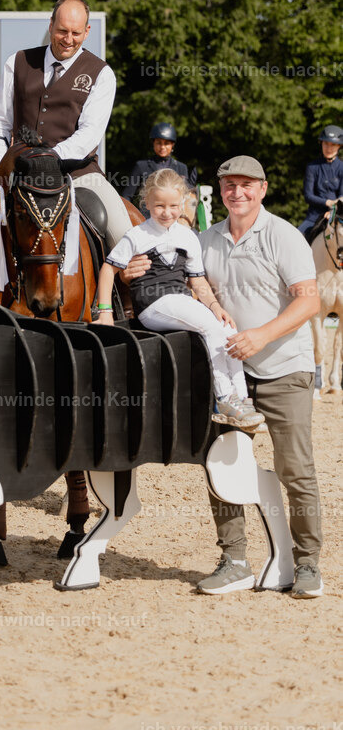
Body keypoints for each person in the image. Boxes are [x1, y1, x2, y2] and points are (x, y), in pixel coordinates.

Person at [119, 154, 322, 599]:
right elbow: (176, 282)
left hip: (284, 368)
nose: (237, 192)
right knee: (222, 466)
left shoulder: (284, 235)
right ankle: (234, 561)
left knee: (296, 470)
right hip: (226, 374)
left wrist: (261, 335)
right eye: (229, 185)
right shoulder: (200, 240)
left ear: (262, 189)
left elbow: (309, 301)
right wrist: (130, 271)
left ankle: (308, 565)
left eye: (247, 185)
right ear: (218, 191)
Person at [0, 0, 132, 282]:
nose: (68, 39)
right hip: (17, 173)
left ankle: (120, 312)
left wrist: (46, 160)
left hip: (78, 172)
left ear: (87, 32)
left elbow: (88, 134)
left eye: (76, 33)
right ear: (50, 26)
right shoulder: (18, 61)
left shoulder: (102, 74)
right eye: (62, 30)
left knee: (127, 241)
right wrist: (1, 164)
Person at [94, 168, 264, 429]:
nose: (167, 212)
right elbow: (108, 270)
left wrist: (216, 306)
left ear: (183, 203)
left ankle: (242, 399)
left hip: (180, 301)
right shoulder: (137, 235)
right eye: (159, 205)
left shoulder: (187, 237)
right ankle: (224, 396)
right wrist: (105, 311)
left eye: (174, 205)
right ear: (147, 203)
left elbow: (197, 280)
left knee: (227, 327)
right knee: (209, 327)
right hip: (152, 305)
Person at [121, 121, 197, 217]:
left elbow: (185, 199)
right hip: (147, 218)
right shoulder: (141, 166)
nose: (162, 147)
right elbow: (127, 196)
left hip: (172, 218)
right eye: (159, 143)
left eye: (166, 143)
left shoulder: (181, 168)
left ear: (172, 145)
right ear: (153, 143)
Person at [298, 124, 343, 240]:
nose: (329, 148)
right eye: (326, 144)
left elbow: (342, 195)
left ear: (339, 146)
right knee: (296, 238)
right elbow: (308, 196)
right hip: (314, 217)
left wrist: (333, 211)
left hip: (337, 214)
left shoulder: (342, 168)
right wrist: (328, 202)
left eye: (333, 144)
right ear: (321, 144)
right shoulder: (312, 167)